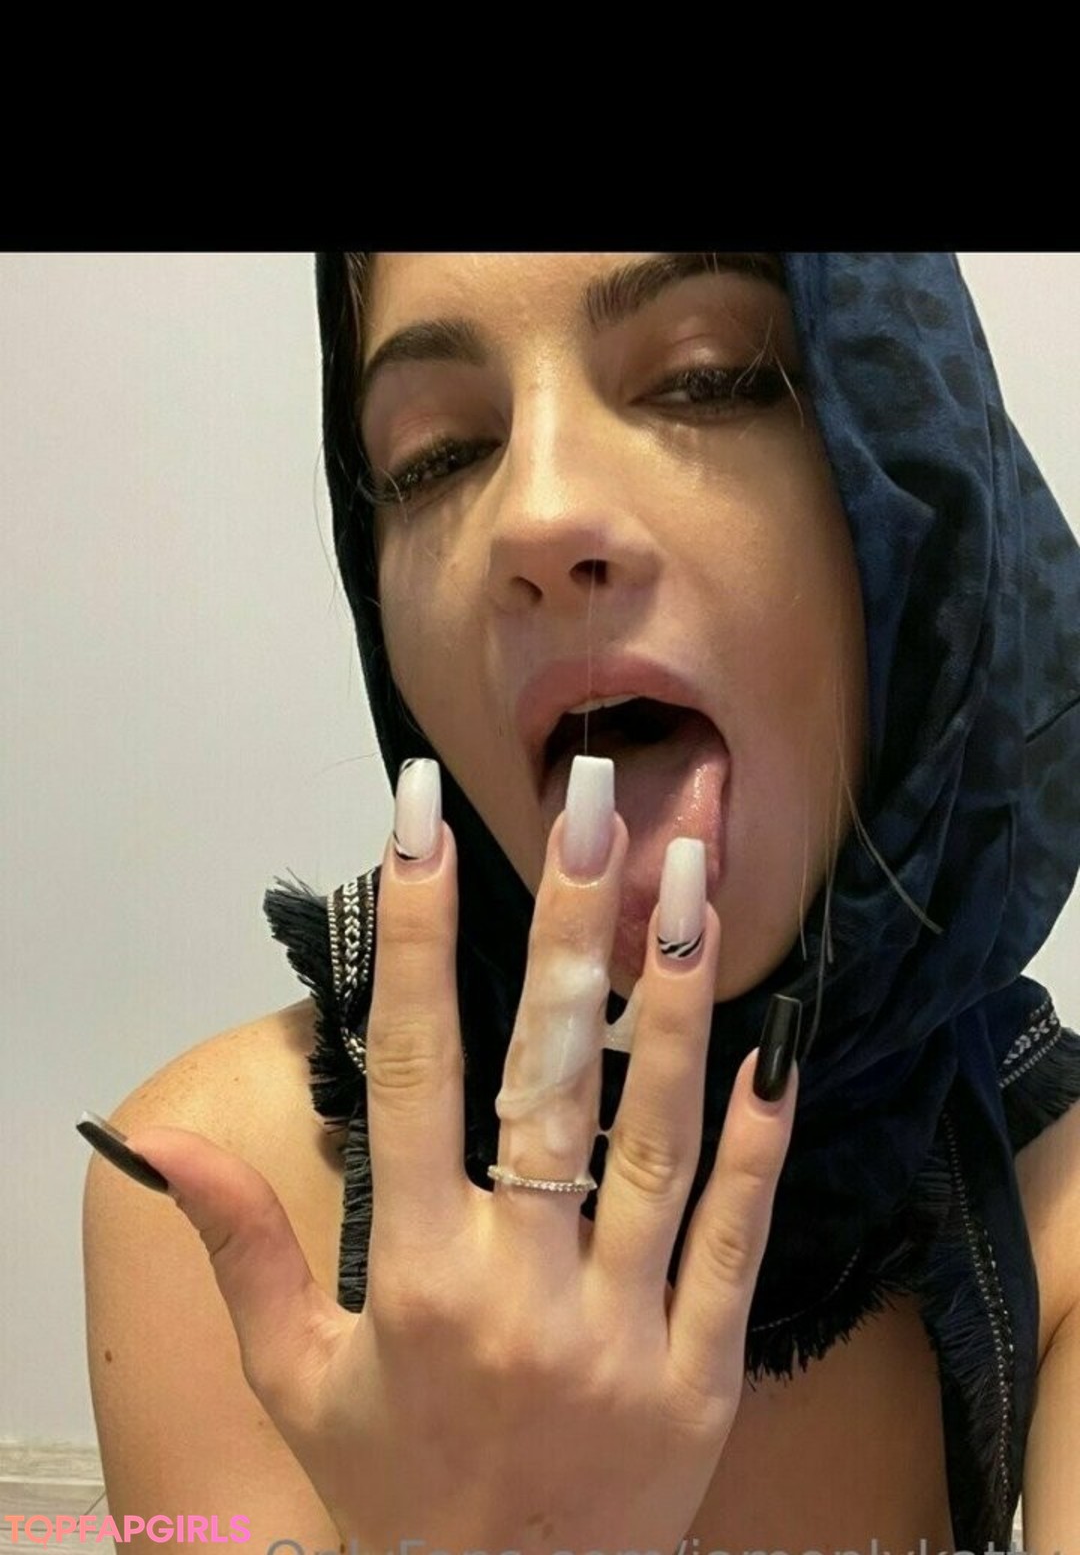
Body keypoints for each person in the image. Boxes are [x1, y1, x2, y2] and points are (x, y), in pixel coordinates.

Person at [78, 253, 1080, 1554]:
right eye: (437, 457)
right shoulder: (222, 1205)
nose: (536, 515)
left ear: (918, 486)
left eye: (709, 377)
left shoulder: (1053, 1205)